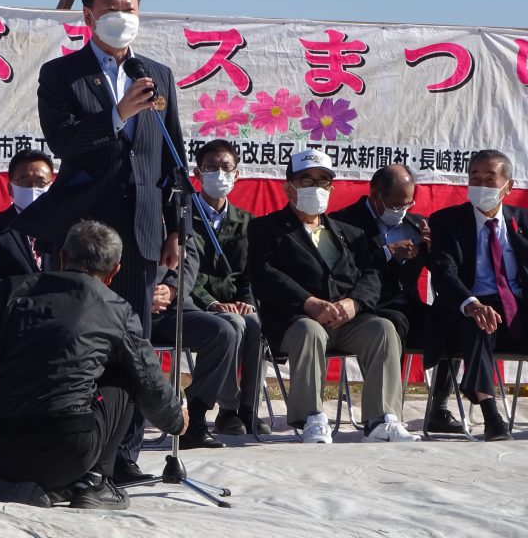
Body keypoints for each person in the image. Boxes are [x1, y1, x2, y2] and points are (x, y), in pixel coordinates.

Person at [18, 0, 185, 482]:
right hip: (84, 230)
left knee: (134, 340)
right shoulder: (62, 74)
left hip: (141, 231)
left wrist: (176, 228)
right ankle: (71, 447)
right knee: (81, 336)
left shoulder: (156, 76)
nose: (121, 16)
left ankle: (124, 454)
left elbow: (174, 158)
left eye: (129, 8)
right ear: (89, 14)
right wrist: (118, 115)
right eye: (111, 8)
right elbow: (64, 141)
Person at [0, 220, 188, 510]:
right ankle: (95, 483)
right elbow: (149, 382)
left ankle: (24, 483)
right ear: (114, 272)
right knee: (126, 375)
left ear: (61, 257)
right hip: (69, 450)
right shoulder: (116, 308)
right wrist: (176, 420)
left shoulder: (7, 291)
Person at [247, 149, 418, 444]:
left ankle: (381, 419)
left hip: (345, 322)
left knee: (383, 328)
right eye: (307, 180)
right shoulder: (266, 229)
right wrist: (308, 302)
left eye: (323, 181)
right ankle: (312, 417)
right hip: (296, 322)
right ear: (289, 187)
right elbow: (264, 273)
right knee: (309, 330)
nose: (316, 187)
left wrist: (354, 304)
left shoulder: (349, 232)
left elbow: (372, 273)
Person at [330, 163, 462, 434]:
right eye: (395, 203)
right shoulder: (343, 221)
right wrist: (387, 252)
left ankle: (439, 407)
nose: (401, 209)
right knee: (391, 326)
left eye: (408, 203)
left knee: (453, 322)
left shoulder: (416, 223)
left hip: (407, 305)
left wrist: (434, 250)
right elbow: (344, 270)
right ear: (375, 195)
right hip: (368, 308)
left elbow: (442, 270)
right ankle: (385, 412)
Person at [153, 138, 270, 442]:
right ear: (197, 173)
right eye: (211, 168)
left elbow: (247, 273)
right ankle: (227, 410)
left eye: (225, 167)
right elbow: (188, 271)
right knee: (230, 325)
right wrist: (212, 304)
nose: (219, 174)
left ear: (237, 173)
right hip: (194, 300)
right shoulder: (182, 217)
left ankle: (249, 408)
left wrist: (246, 302)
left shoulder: (246, 222)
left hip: (230, 301)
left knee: (253, 323)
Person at [429, 148, 527, 441]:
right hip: (467, 306)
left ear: (508, 187)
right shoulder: (446, 221)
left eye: (490, 179)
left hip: (516, 305)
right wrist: (471, 304)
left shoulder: (522, 220)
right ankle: (491, 415)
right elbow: (444, 272)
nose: (481, 185)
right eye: (475, 178)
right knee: (478, 325)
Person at [0, 148, 54, 290]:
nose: (33, 188)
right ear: (10, 188)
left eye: (41, 183)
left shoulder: (65, 228)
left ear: (52, 187)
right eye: (25, 182)